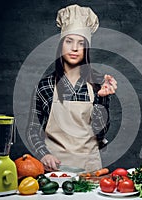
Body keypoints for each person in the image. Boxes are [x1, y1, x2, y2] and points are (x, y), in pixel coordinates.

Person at [26, 4, 117, 172]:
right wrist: (43, 154)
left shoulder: (98, 84)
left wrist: (102, 101)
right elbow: (33, 130)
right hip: (54, 172)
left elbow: (100, 133)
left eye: (81, 43)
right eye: (69, 41)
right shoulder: (45, 86)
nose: (74, 48)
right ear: (61, 44)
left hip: (90, 172)